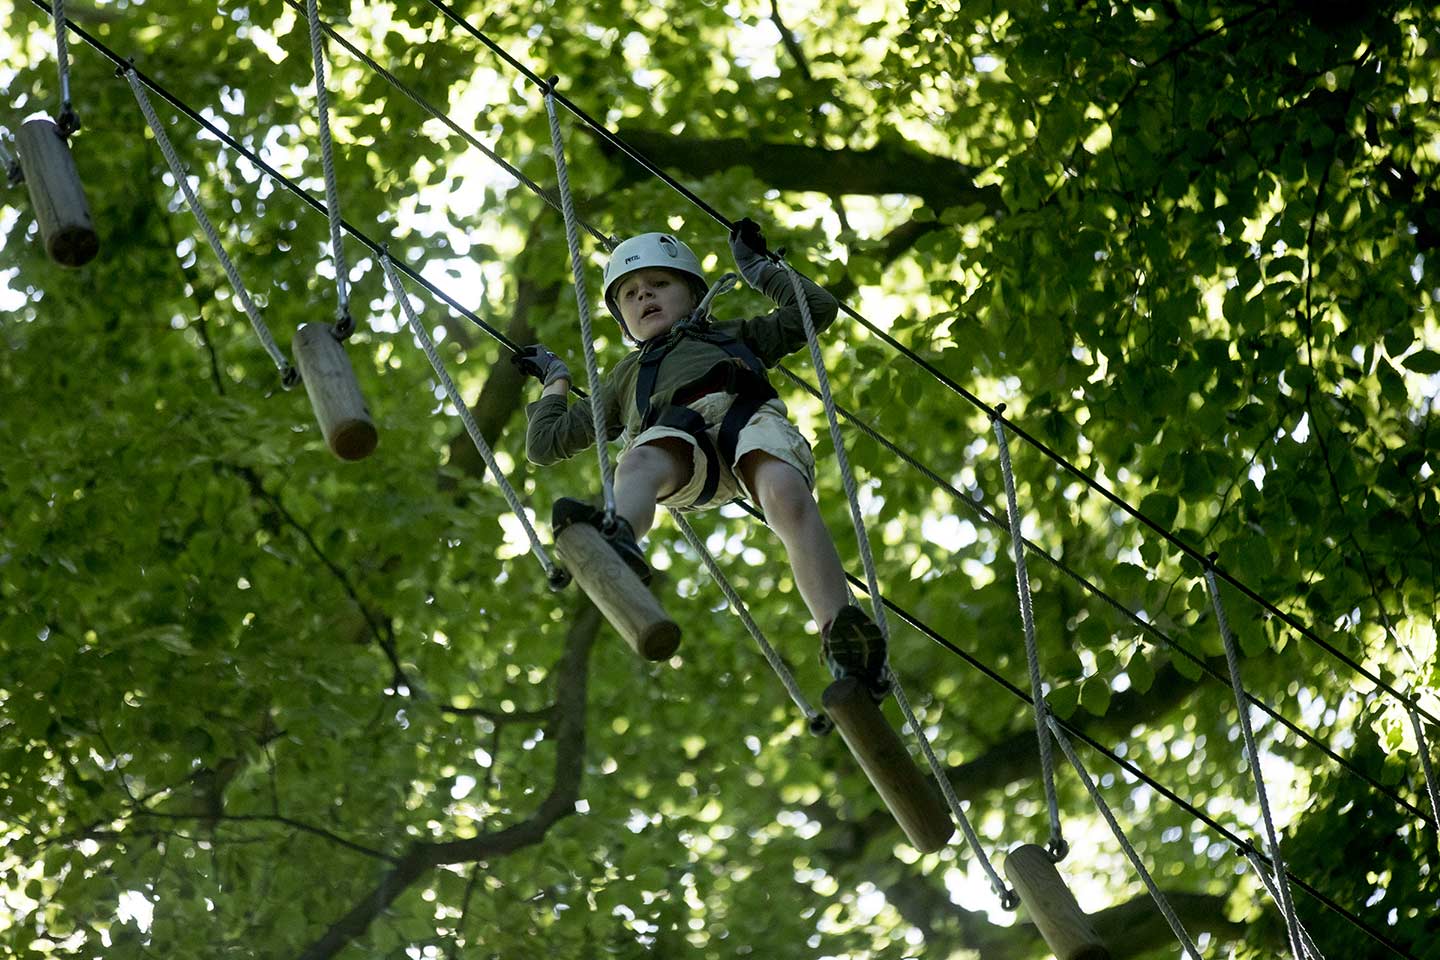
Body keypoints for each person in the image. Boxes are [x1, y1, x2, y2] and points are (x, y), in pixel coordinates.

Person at [512, 220, 889, 701]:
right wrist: (555, 381)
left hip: (746, 419)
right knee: (638, 462)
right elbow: (545, 442)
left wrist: (757, 269)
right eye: (630, 294)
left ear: (693, 294)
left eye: (660, 284)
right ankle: (619, 538)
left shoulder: (735, 335)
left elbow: (814, 309)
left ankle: (842, 635)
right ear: (622, 319)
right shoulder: (624, 377)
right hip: (678, 447)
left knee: (786, 494)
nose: (644, 295)